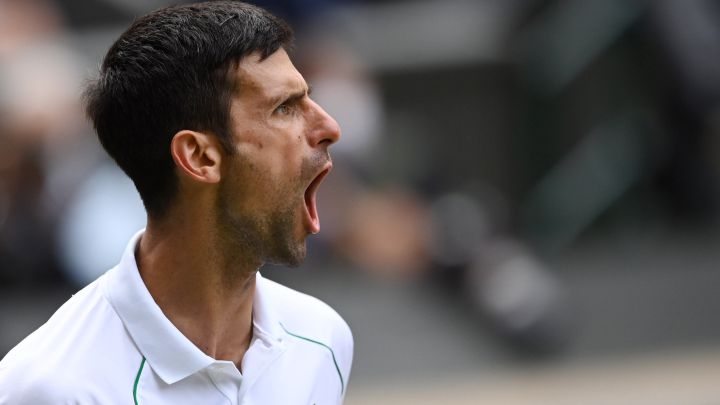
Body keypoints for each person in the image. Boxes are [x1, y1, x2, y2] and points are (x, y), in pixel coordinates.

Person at [0, 2, 352, 404]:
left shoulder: (324, 340)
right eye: (284, 108)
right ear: (199, 157)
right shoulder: (48, 388)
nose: (330, 127)